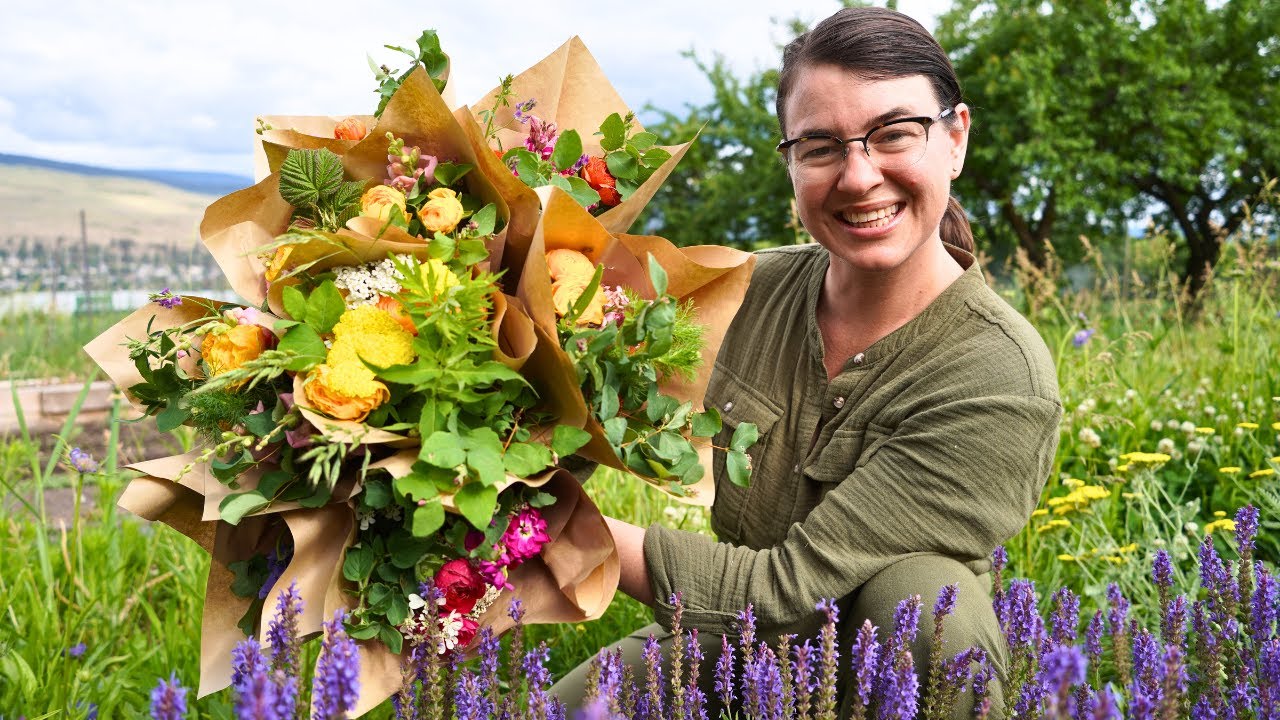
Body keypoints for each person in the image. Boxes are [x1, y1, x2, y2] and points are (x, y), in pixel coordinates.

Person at [553, 7, 1061, 717]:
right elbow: (574, 389)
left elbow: (784, 594)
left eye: (894, 133)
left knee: (917, 595)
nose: (858, 176)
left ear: (955, 138)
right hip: (744, 650)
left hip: (889, 666)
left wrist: (551, 532)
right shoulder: (743, 292)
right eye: (820, 146)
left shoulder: (997, 374)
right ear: (790, 163)